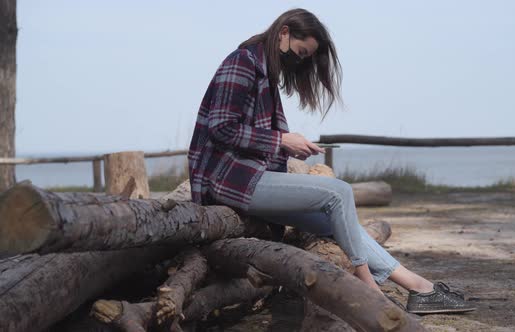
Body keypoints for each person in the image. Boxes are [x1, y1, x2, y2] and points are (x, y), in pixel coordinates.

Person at [188, 8, 475, 314]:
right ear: (283, 33)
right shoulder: (243, 62)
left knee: (335, 221)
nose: (300, 62)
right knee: (339, 191)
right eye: (301, 53)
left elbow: (250, 136)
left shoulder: (266, 72)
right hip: (228, 181)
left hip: (249, 179)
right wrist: (282, 140)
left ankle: (420, 287)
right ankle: (371, 291)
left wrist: (286, 146)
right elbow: (221, 128)